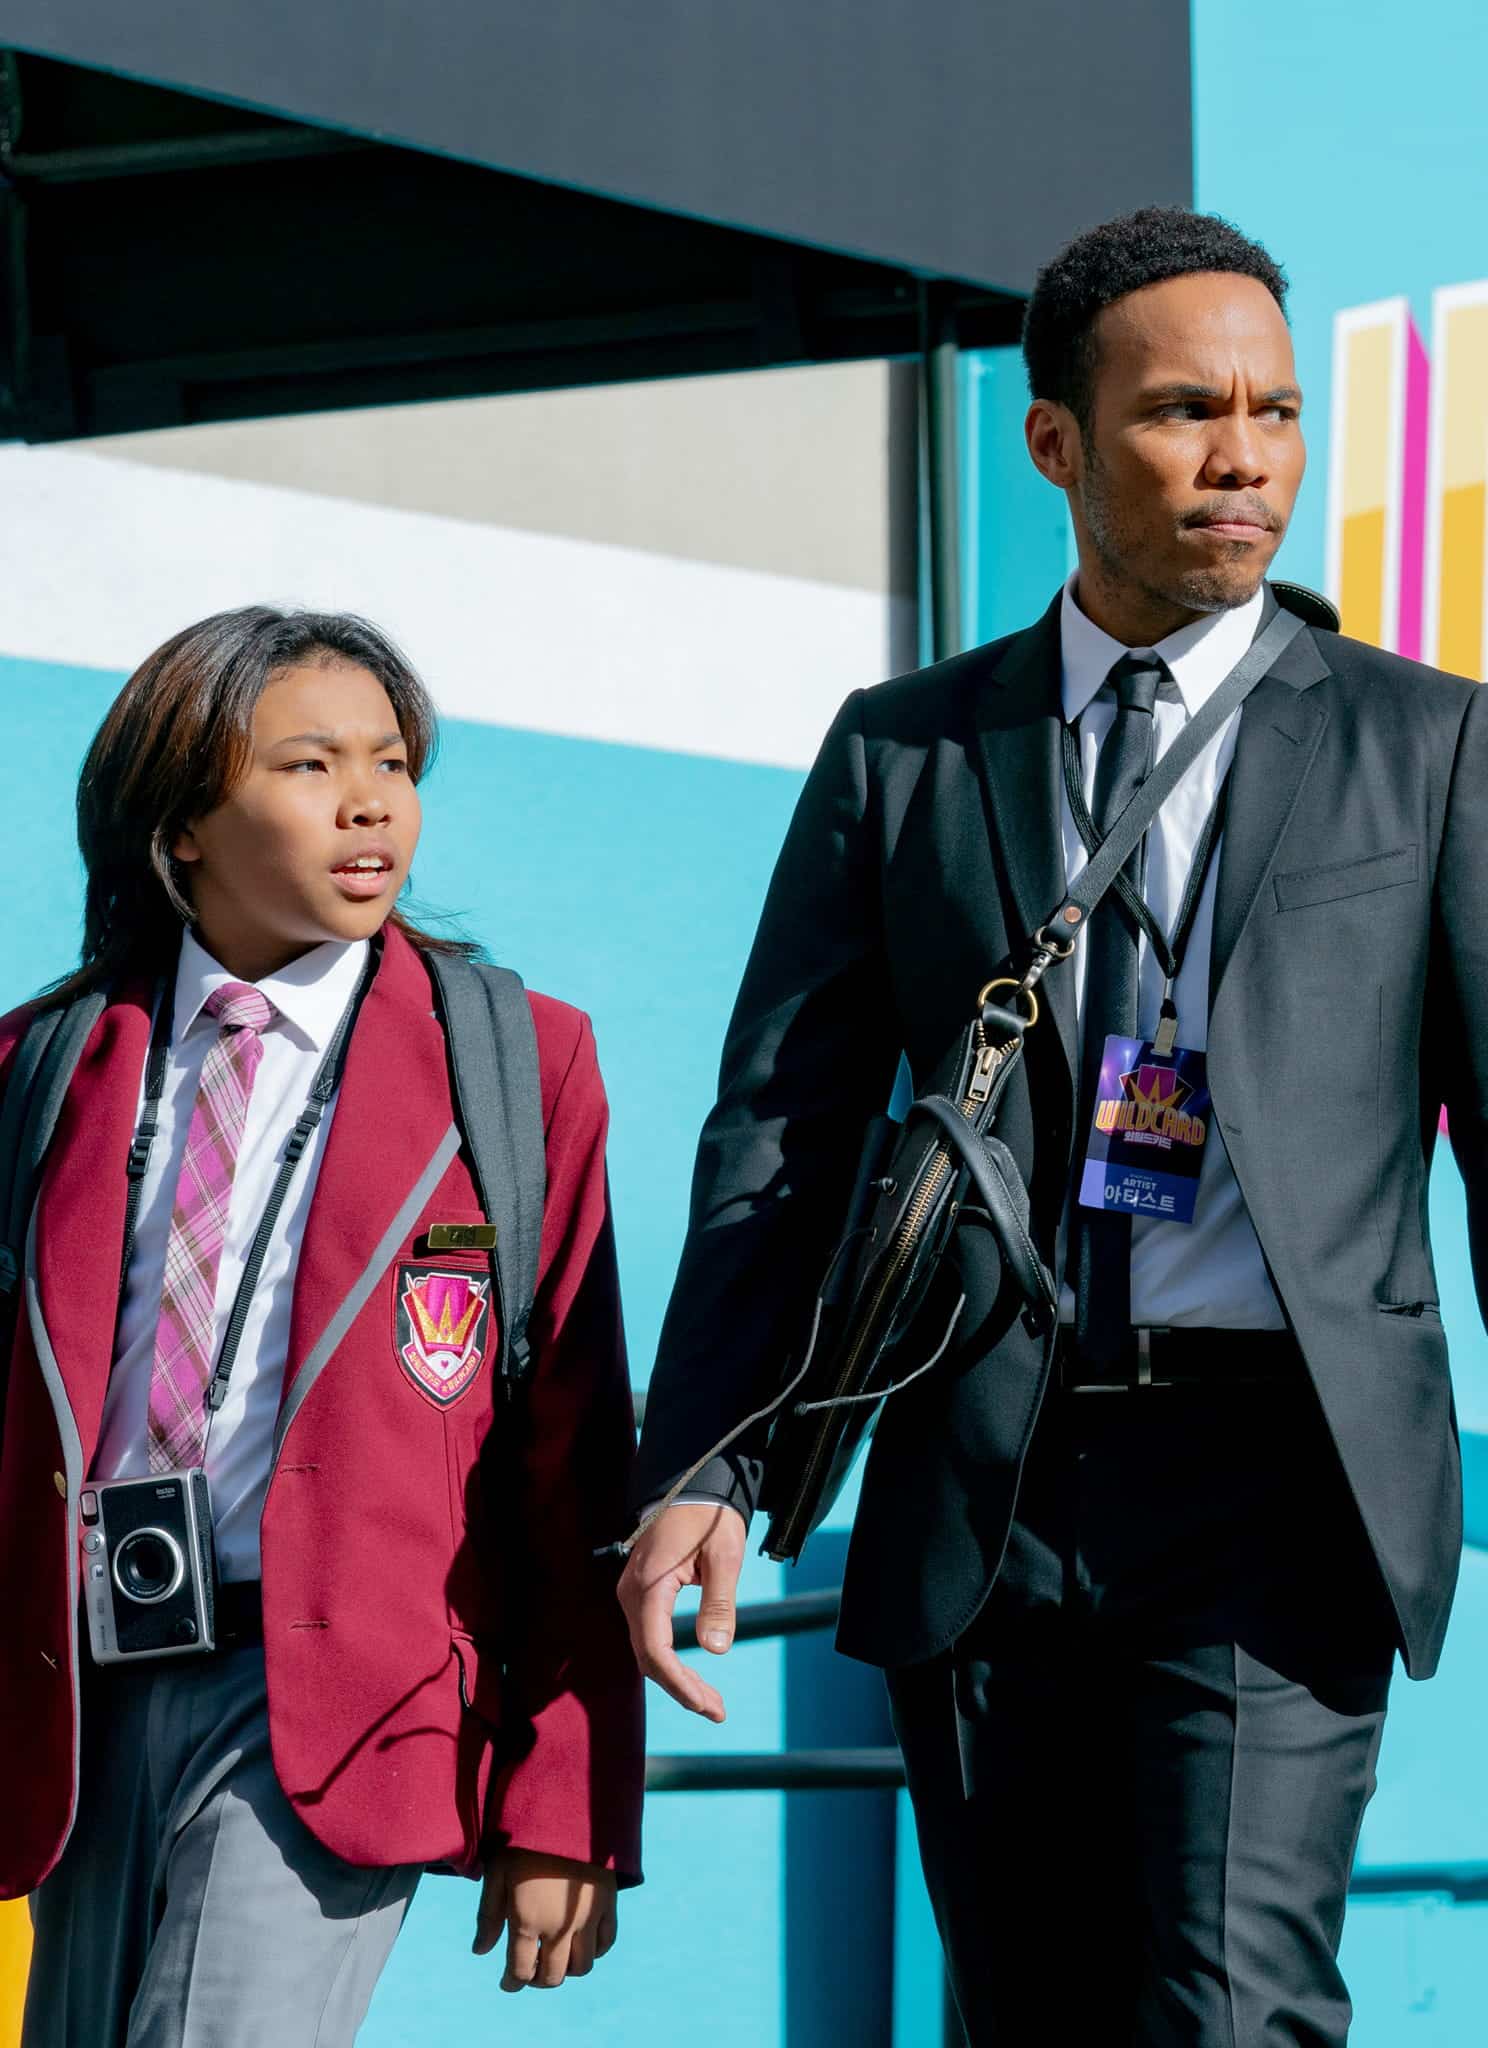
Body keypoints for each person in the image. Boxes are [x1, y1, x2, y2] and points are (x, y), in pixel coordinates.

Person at [619, 207, 1488, 2045]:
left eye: (1272, 409)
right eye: (1184, 411)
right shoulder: (907, 748)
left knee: (1230, 2005)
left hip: (1281, 1478)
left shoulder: (1432, 747)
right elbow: (779, 1124)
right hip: (980, 1477)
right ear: (1057, 443)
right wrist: (707, 1462)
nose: (1243, 454)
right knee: (1024, 2009)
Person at [1, 608, 643, 2046]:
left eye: (395, 766)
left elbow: (573, 1457)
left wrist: (566, 1792)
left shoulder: (520, 1063)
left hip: (335, 1703)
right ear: (180, 825)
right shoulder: (44, 1065)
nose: (370, 805)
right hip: (81, 1698)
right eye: (308, 766)